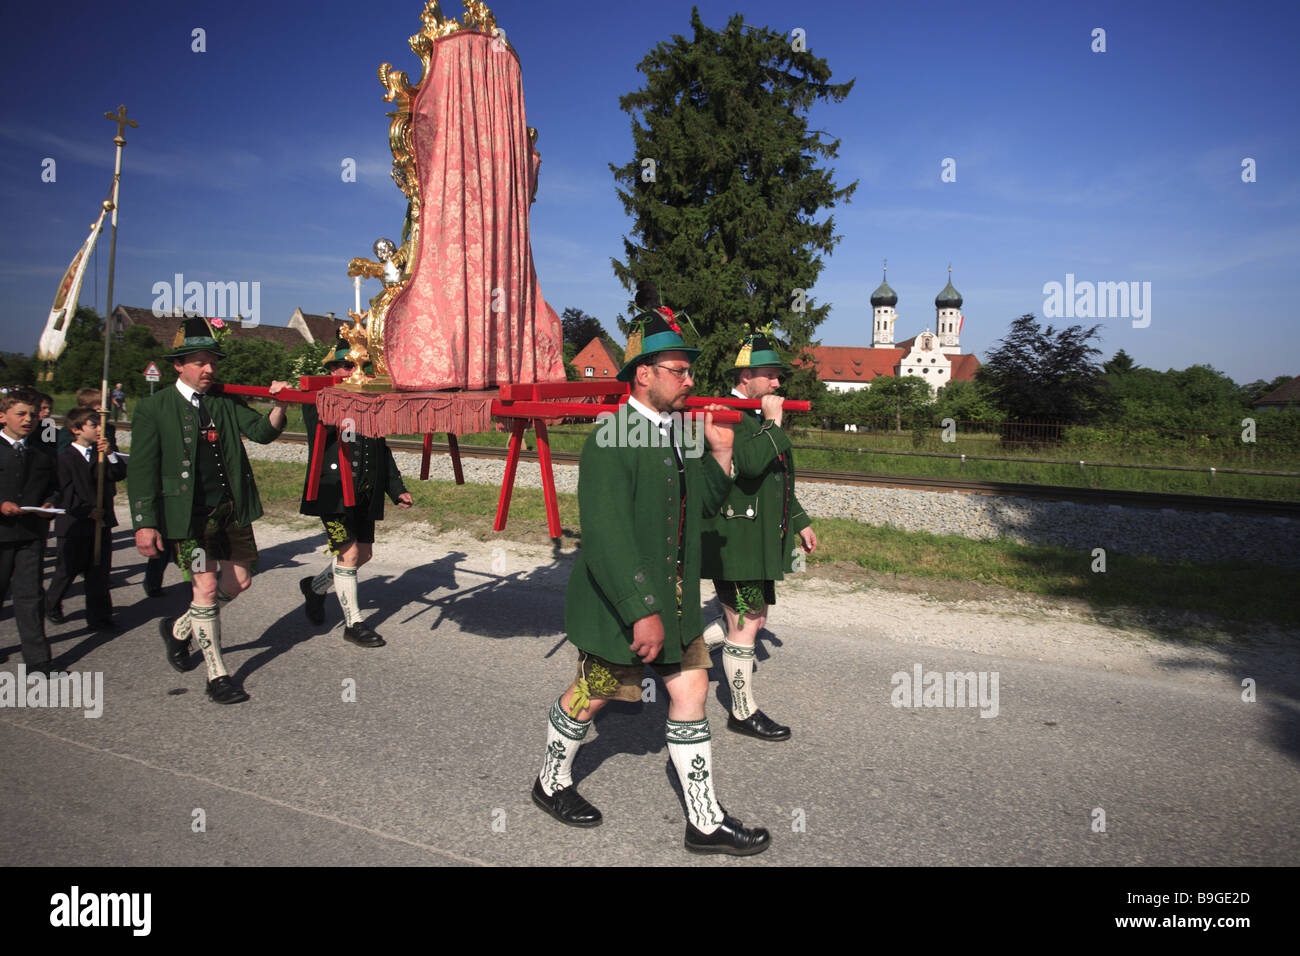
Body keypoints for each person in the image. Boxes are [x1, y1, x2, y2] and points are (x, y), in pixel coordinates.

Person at [530, 282, 770, 856]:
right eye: (679, 370)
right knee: (592, 695)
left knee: (690, 689)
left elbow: (705, 506)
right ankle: (550, 781)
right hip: (624, 607)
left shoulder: (678, 432)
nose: (690, 380)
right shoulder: (612, 436)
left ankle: (704, 821)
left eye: (689, 371)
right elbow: (608, 537)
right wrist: (642, 612)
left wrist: (718, 453)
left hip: (679, 603)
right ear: (643, 375)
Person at [127, 316, 290, 704]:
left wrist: (279, 404)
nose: (208, 369)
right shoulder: (154, 408)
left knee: (239, 583)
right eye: (199, 361)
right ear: (178, 366)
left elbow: (264, 432)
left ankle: (180, 628)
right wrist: (145, 523)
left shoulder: (223, 400)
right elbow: (142, 470)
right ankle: (217, 674)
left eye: (212, 361)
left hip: (230, 510)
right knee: (206, 587)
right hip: (188, 517)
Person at [700, 330, 817, 742]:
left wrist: (800, 519)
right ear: (747, 375)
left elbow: (776, 478)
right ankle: (742, 711)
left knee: (749, 617)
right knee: (748, 621)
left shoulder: (755, 415)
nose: (778, 384)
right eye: (771, 376)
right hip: (736, 538)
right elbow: (749, 464)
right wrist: (773, 422)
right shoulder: (725, 411)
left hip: (757, 537)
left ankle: (680, 651)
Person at [298, 336, 412, 645]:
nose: (351, 372)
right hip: (332, 493)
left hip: (364, 493)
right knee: (347, 554)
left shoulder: (368, 403)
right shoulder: (319, 399)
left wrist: (396, 489)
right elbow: (324, 423)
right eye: (346, 366)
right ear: (333, 370)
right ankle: (354, 624)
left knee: (363, 553)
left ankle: (316, 587)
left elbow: (381, 452)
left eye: (357, 366)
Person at [47, 407, 127, 630]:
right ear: (76, 430)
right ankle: (51, 603)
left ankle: (99, 618)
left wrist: (110, 453)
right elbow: (66, 493)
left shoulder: (100, 455)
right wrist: (85, 511)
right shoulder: (65, 458)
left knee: (98, 572)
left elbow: (118, 474)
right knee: (67, 570)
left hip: (100, 523)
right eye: (94, 425)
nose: (99, 429)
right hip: (75, 523)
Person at [0, 392, 60, 673]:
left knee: (30, 596)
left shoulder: (41, 452)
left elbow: (55, 486)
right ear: (3, 416)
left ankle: (38, 659)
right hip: (1, 533)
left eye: (33, 415)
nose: (28, 420)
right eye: (20, 414)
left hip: (31, 533)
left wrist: (50, 503)